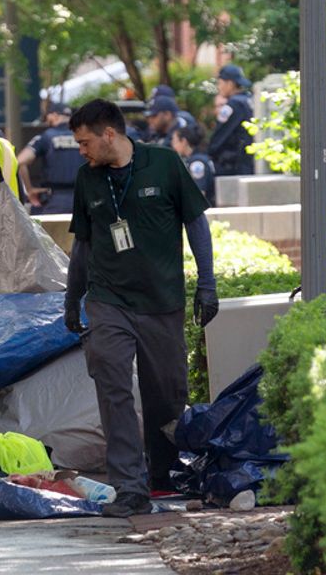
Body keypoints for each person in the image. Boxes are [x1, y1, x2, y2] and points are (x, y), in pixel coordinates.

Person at [63, 99, 218, 518]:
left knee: (167, 395)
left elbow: (196, 223)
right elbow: (83, 244)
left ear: (109, 134)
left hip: (162, 301)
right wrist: (72, 297)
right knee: (111, 380)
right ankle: (129, 487)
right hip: (108, 299)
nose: (81, 151)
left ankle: (163, 474)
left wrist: (207, 284)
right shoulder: (87, 178)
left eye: (85, 142)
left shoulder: (164, 164)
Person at [17, 102, 84, 215]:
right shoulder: (84, 136)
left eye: (47, 117)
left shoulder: (46, 136)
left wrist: (29, 190)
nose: (46, 121)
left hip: (54, 201)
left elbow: (20, 161)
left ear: (55, 115)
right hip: (83, 199)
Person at [208, 64, 255, 176]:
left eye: (220, 83)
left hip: (235, 165)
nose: (219, 87)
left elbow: (220, 136)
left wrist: (209, 153)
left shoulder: (233, 105)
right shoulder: (249, 100)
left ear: (230, 84)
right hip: (250, 162)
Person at [171, 126, 216, 207]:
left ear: (184, 141)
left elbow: (199, 195)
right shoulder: (198, 157)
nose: (173, 146)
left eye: (175, 141)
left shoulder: (197, 163)